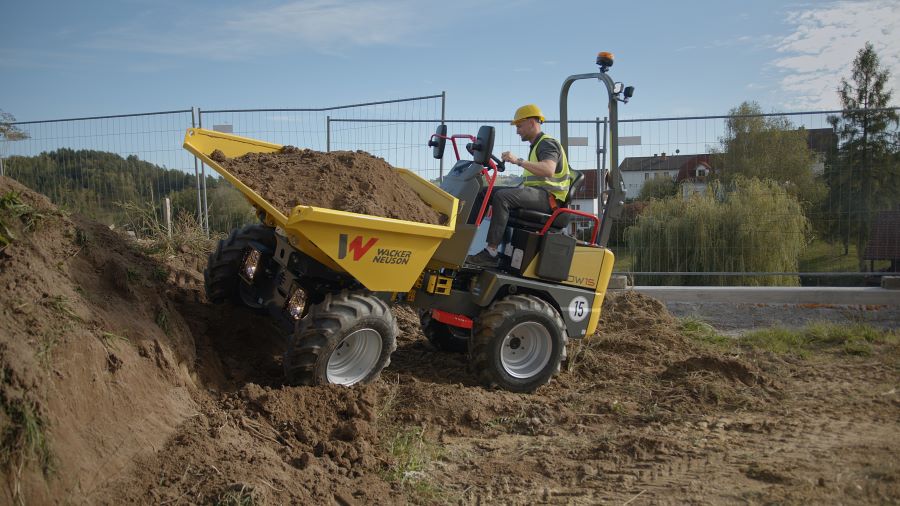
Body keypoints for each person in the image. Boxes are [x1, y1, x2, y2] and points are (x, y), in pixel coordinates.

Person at [466, 104, 572, 267]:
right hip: (536, 194)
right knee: (485, 193)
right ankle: (464, 238)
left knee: (502, 197)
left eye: (519, 126)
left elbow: (549, 169)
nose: (517, 131)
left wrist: (518, 161)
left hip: (549, 199)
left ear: (531, 122)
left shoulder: (546, 143)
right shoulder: (536, 146)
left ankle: (491, 252)